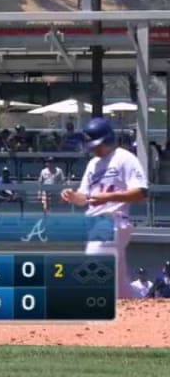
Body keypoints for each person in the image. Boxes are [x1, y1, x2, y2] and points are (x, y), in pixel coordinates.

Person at [60, 117, 148, 299]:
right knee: (121, 289)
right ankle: (138, 322)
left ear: (108, 140)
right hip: (95, 223)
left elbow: (141, 192)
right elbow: (84, 198)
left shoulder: (124, 158)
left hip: (113, 222)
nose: (93, 149)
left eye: (96, 145)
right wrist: (72, 196)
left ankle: (91, 320)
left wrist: (108, 197)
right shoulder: (93, 164)